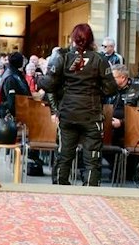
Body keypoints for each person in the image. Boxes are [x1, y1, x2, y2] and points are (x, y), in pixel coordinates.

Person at [42, 23, 115, 186]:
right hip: (92, 114)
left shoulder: (63, 56)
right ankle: (89, 192)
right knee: (92, 159)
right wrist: (96, 92)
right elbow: (111, 88)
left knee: (64, 156)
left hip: (68, 113)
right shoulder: (100, 59)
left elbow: (48, 85)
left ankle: (60, 190)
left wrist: (46, 80)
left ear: (73, 38)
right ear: (91, 40)